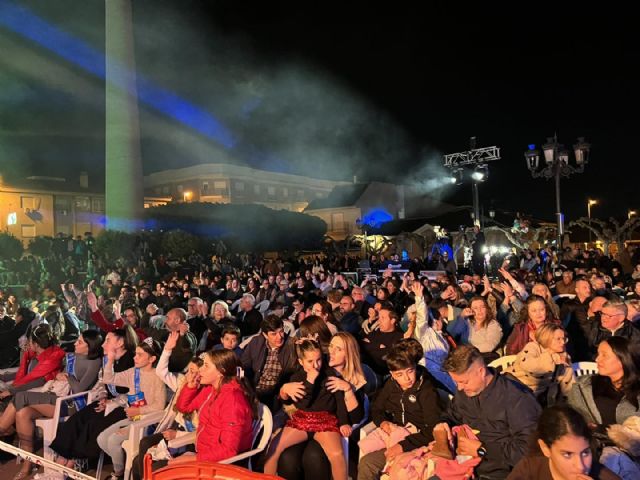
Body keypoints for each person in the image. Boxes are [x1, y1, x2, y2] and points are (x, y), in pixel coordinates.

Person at [5, 330, 103, 479]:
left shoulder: (94, 362)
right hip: (56, 397)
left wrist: (68, 377)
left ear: (90, 347)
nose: (75, 343)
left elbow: (79, 389)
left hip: (73, 405)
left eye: (80, 342)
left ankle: (2, 429)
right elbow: (59, 377)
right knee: (22, 413)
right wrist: (60, 375)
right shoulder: (72, 357)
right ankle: (27, 464)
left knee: (20, 397)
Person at [435, 345, 542, 479]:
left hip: (503, 472)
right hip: (465, 465)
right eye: (457, 383)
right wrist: (443, 423)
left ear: (481, 372)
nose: (460, 388)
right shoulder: (465, 393)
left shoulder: (517, 398)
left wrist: (483, 449)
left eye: (464, 382)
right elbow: (452, 414)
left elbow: (528, 450)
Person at [277, 332, 367, 480]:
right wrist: (284, 390)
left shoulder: (355, 379)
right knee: (288, 458)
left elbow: (356, 418)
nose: (331, 351)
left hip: (332, 428)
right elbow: (294, 399)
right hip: (305, 423)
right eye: (331, 346)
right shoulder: (319, 368)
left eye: (338, 349)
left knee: (313, 456)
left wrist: (348, 390)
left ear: (349, 354)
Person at [49, 327, 137, 470]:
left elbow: (135, 393)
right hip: (107, 402)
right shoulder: (108, 360)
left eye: (108, 340)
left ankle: (76, 462)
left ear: (120, 343)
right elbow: (103, 384)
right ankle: (60, 462)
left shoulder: (132, 361)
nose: (103, 344)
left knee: (92, 424)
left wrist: (112, 402)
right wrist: (103, 397)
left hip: (126, 407)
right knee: (76, 419)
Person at [357, 338, 445, 480]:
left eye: (410, 371)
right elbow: (377, 408)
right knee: (367, 463)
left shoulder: (427, 390)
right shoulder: (391, 385)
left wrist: (403, 446)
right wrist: (383, 422)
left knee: (399, 472)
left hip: (418, 443)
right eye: (399, 374)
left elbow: (434, 429)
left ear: (415, 367)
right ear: (392, 374)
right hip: (394, 436)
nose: (407, 378)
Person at [264, 337, 350, 480]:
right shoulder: (296, 378)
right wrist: (309, 381)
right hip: (302, 420)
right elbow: (302, 405)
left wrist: (344, 422)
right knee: (274, 447)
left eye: (319, 360)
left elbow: (339, 400)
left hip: (325, 422)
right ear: (301, 362)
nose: (316, 365)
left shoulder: (328, 374)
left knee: (337, 454)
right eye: (310, 361)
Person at [96, 337, 166, 479]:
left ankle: (118, 474)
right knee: (102, 439)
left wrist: (138, 410)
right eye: (135, 354)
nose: (135, 357)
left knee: (113, 440)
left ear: (152, 359)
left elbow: (160, 406)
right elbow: (108, 379)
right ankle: (122, 468)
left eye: (140, 355)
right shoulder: (133, 372)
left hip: (148, 423)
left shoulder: (157, 377)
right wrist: (110, 360)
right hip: (134, 419)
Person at [171, 349, 256, 464]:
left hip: (221, 463)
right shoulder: (212, 390)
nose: (200, 370)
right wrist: (190, 387)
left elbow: (228, 450)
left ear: (221, 372)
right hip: (204, 451)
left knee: (160, 468)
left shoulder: (233, 401)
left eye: (206, 366)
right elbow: (183, 408)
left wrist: (192, 459)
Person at [507, 405, 620, 480]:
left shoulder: (606, 477)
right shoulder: (529, 470)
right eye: (567, 454)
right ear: (545, 448)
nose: (580, 466)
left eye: (585, 453)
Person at [568, 337, 640, 433]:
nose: (597, 359)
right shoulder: (584, 385)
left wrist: (601, 429)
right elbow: (568, 415)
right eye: (598, 354)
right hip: (589, 440)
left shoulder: (637, 389)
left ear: (623, 359)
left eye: (604, 355)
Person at [507, 324, 574, 406]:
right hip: (514, 388)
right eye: (558, 339)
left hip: (540, 399)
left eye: (564, 339)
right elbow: (528, 365)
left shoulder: (564, 357)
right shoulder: (533, 347)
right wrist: (554, 358)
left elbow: (568, 386)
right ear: (546, 338)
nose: (563, 342)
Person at [241, 314, 298, 411]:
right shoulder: (256, 342)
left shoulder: (292, 345)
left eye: (281, 331)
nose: (279, 337)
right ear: (265, 335)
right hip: (255, 389)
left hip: (276, 394)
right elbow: (244, 365)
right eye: (273, 334)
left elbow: (294, 373)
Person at [447, 296, 503, 361]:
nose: (479, 310)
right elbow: (453, 334)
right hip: (464, 357)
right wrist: (462, 316)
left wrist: (467, 352)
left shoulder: (493, 324)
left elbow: (489, 346)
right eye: (475, 308)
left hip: (483, 358)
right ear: (470, 310)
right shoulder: (467, 321)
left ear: (487, 309)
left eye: (482, 307)